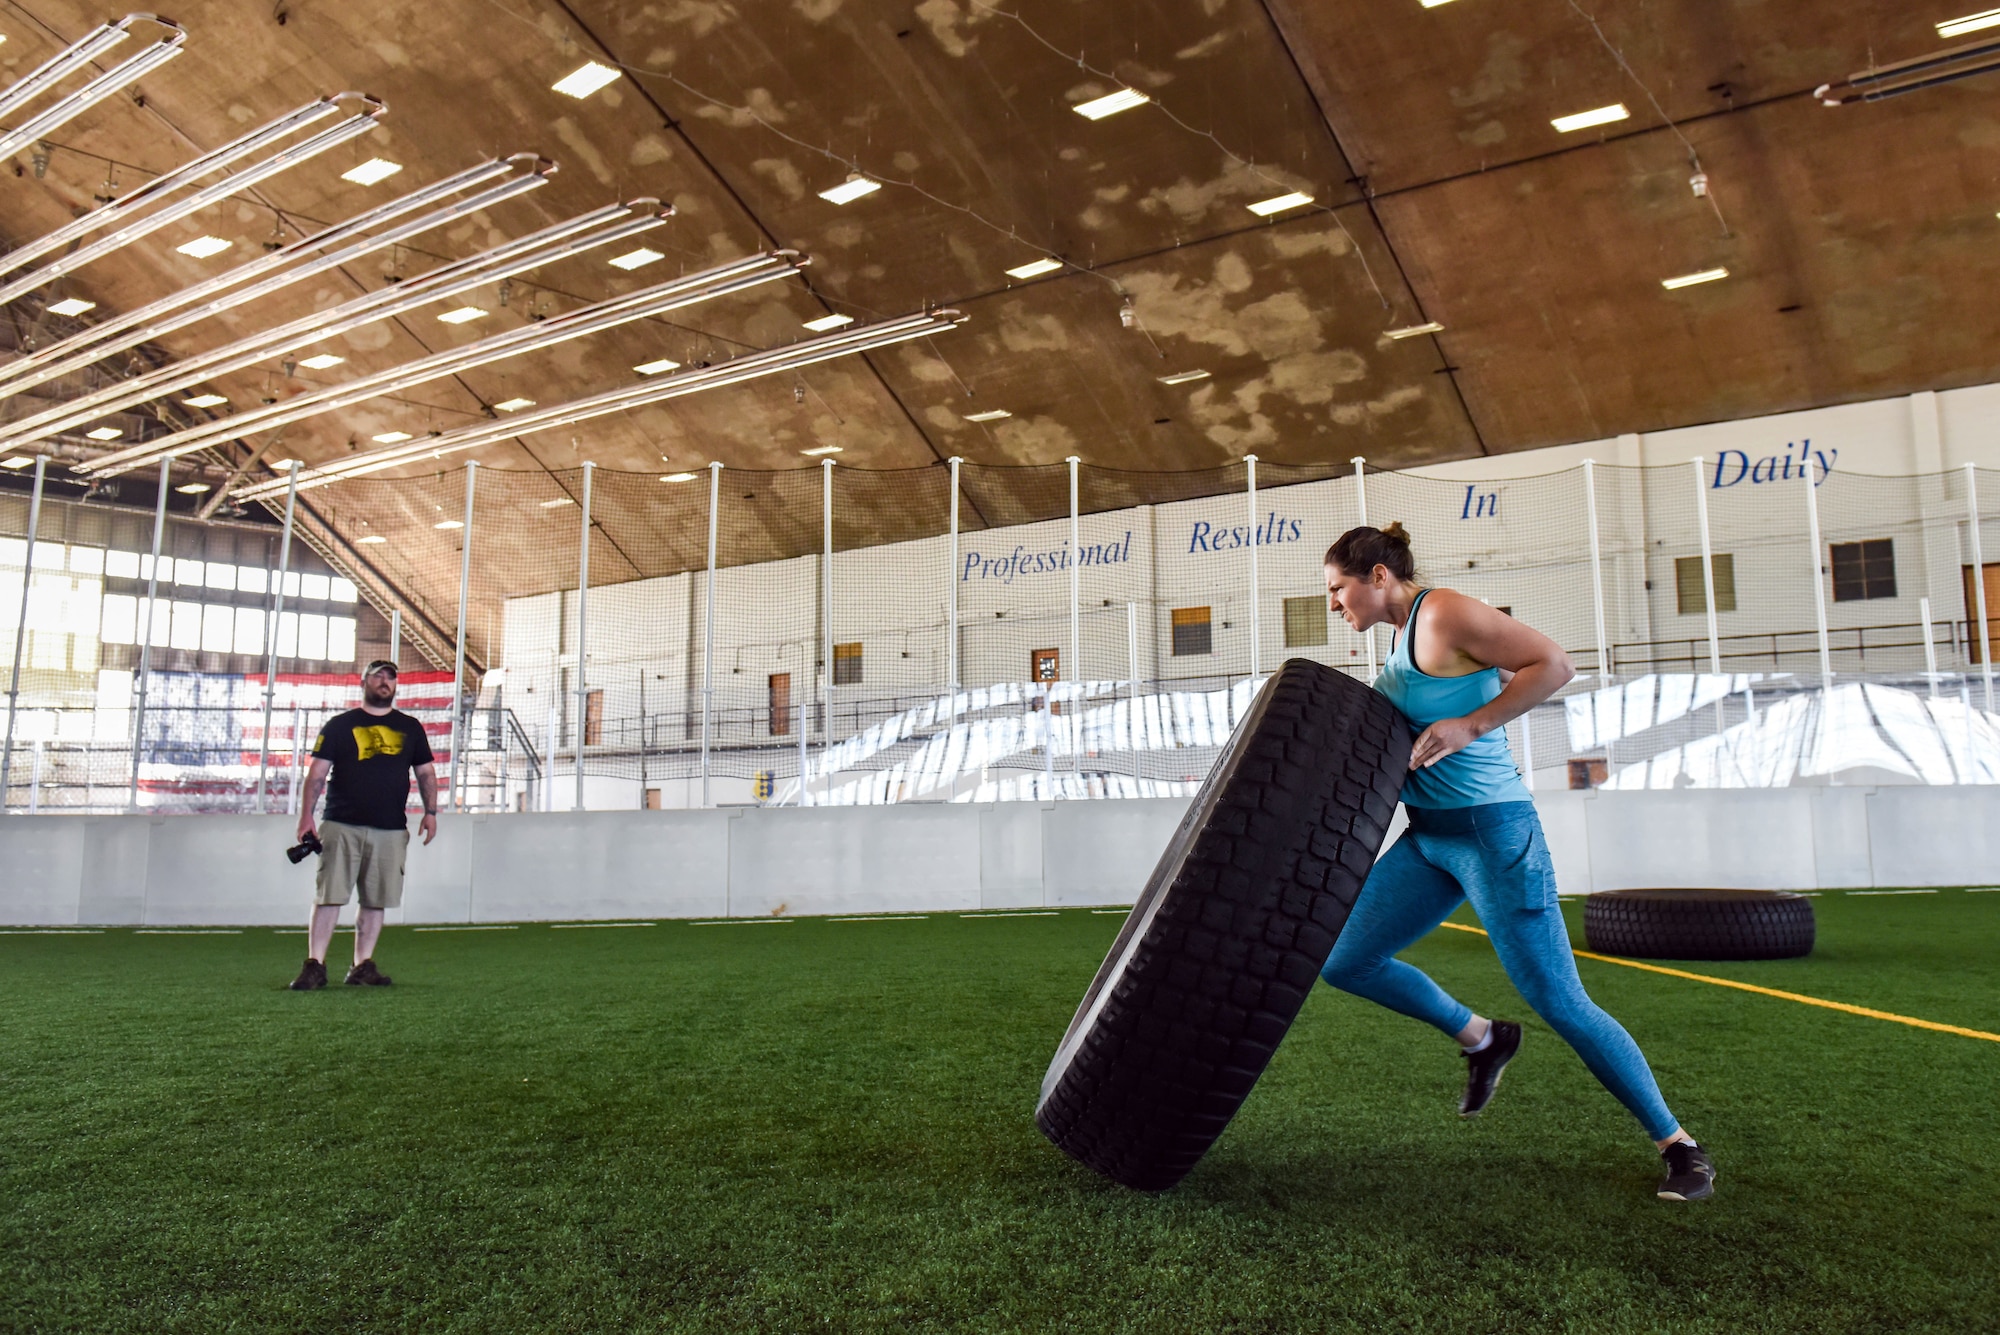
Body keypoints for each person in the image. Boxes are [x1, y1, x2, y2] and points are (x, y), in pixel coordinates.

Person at [1319, 523, 1714, 1202]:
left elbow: (1554, 664)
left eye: (1337, 587)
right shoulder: (1399, 635)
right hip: (1432, 839)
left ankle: (1680, 1147)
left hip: (1495, 835)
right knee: (1345, 958)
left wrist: (1473, 724)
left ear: (1378, 575)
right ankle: (1482, 1038)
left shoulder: (1441, 611)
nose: (1333, 603)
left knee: (1559, 998)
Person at [287, 660, 438, 991]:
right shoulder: (340, 725)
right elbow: (316, 774)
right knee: (329, 896)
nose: (385, 681)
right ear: (364, 682)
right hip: (341, 824)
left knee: (375, 899)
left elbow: (425, 772)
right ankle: (315, 965)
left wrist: (432, 811)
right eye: (378, 676)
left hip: (390, 829)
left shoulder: (410, 727)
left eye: (391, 677)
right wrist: (306, 816)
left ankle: (362, 966)